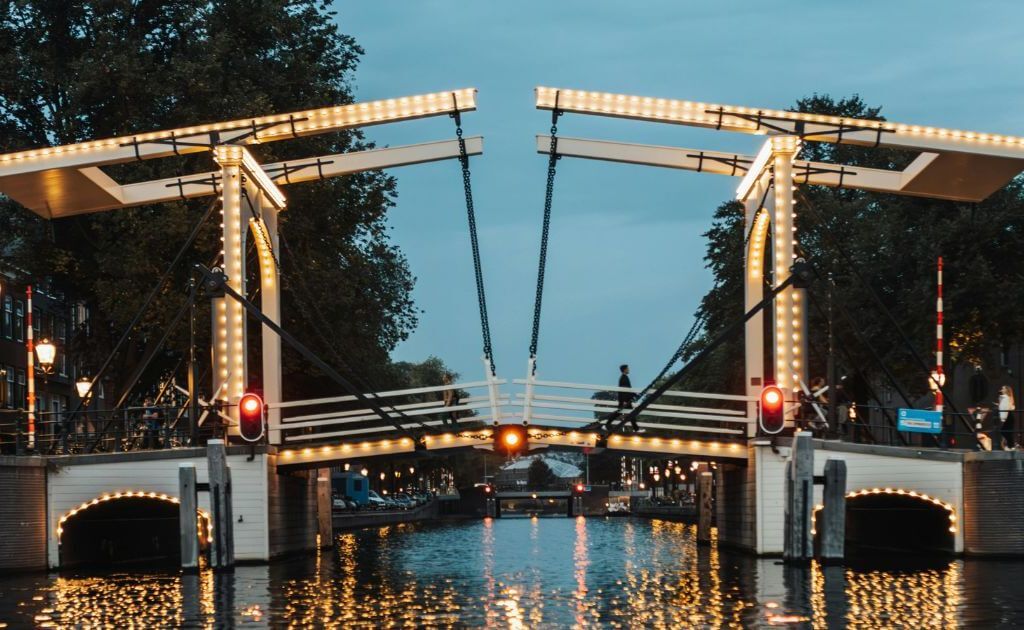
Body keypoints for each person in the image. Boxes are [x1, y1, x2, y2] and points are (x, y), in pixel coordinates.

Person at [615, 364, 642, 433]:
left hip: (626, 399)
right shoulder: (624, 378)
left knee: (629, 414)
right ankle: (636, 429)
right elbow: (625, 390)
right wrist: (624, 400)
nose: (629, 370)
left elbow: (628, 390)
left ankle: (636, 429)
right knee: (619, 414)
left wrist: (635, 395)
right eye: (628, 368)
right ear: (625, 370)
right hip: (625, 400)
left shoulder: (624, 377)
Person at [998, 385, 1016, 450]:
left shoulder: (1005, 398)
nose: (1001, 389)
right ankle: (1010, 446)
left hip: (1008, 416)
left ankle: (1011, 446)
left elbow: (1005, 408)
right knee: (1007, 431)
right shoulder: (1007, 397)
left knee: (1005, 431)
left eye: (1003, 388)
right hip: (1009, 415)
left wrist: (1003, 418)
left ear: (1006, 390)